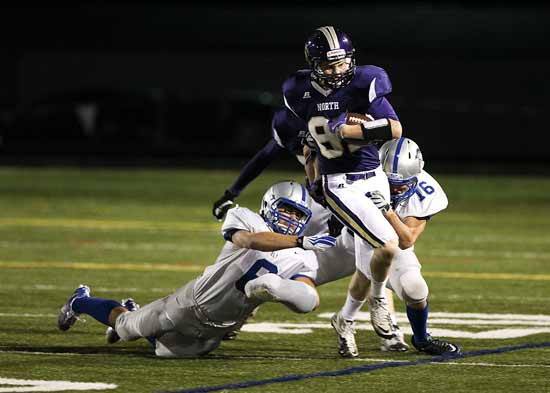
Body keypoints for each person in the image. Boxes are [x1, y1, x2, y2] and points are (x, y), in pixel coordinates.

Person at [57, 181, 337, 358]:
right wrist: (300, 239)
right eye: (287, 210)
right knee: (125, 328)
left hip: (218, 329)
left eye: (299, 215)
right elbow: (249, 240)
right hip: (188, 304)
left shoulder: (304, 256)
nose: (292, 219)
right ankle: (80, 300)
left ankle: (136, 311)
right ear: (270, 206)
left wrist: (282, 288)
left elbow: (309, 297)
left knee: (164, 351)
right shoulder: (247, 218)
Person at [284, 25, 403, 344]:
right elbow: (308, 146)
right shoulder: (297, 90)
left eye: (342, 63)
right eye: (329, 65)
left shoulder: (366, 80)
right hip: (339, 182)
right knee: (388, 245)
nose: (338, 71)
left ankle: (346, 318)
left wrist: (347, 131)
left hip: (373, 175)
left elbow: (394, 129)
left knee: (376, 256)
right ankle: (379, 300)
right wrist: (313, 182)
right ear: (314, 65)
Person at [331, 137, 462, 357]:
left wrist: (388, 211)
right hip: (358, 235)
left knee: (415, 289)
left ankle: (421, 339)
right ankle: (349, 319)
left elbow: (407, 239)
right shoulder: (363, 179)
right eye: (389, 184)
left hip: (395, 238)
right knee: (366, 273)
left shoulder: (426, 191)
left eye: (400, 185)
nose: (394, 190)